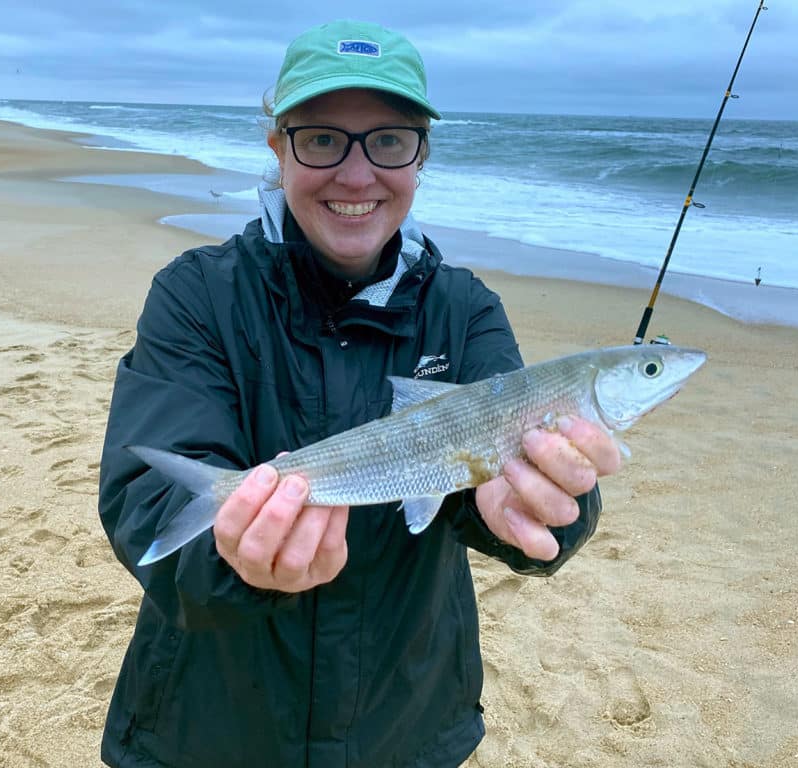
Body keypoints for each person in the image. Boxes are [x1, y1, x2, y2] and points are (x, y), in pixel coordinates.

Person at [98, 19, 621, 768]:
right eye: (321, 140)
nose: (355, 175)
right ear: (278, 148)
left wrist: (550, 507)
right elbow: (144, 504)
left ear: (420, 155)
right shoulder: (197, 295)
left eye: (387, 141)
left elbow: (515, 476)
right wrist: (235, 561)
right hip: (208, 727)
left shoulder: (464, 310)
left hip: (404, 724)